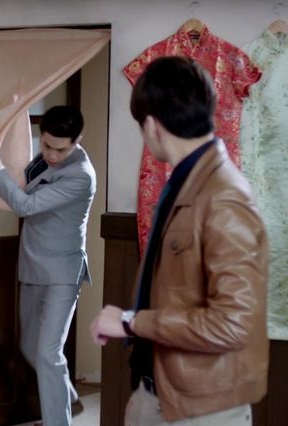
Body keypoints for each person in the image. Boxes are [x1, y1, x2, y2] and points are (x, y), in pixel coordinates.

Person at [89, 56, 268, 425]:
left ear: (152, 125)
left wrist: (132, 323)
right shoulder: (188, 182)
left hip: (203, 408)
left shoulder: (224, 197)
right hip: (162, 392)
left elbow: (232, 324)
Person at [0, 105, 96, 426]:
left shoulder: (81, 176)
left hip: (62, 274)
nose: (51, 154)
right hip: (32, 265)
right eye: (47, 145)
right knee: (30, 346)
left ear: (77, 140)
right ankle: (66, 396)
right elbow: (19, 182)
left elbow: (25, 205)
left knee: (48, 353)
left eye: (60, 149)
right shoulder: (43, 160)